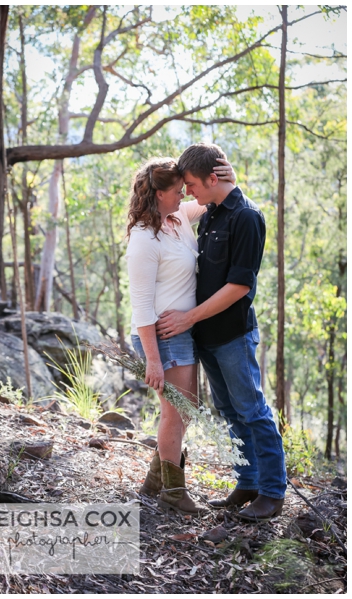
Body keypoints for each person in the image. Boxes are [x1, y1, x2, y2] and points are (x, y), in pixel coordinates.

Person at [156, 142, 287, 522]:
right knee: (230, 411)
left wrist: (187, 319)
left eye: (192, 185)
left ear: (213, 179)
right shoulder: (211, 211)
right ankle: (247, 481)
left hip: (232, 336)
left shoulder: (247, 217)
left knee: (253, 411)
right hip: (206, 338)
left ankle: (272, 492)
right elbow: (164, 207)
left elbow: (239, 287)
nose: (188, 193)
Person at [126, 156, 234, 515]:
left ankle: (156, 480)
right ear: (158, 194)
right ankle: (173, 492)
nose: (183, 194)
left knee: (182, 412)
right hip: (160, 336)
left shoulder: (177, 218)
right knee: (177, 415)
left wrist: (227, 175)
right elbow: (140, 304)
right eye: (176, 191)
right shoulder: (144, 238)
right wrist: (153, 360)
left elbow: (208, 197)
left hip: (181, 332)